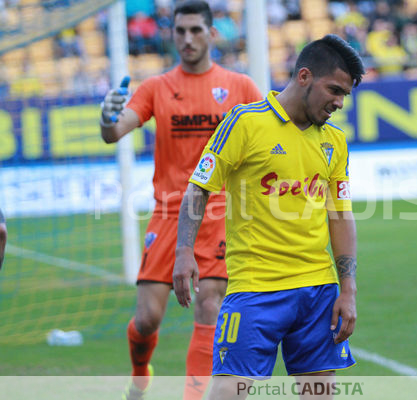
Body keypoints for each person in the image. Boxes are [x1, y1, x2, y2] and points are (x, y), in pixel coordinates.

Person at [173, 34, 365, 400]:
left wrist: (348, 289)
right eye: (335, 90)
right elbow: (199, 188)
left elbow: (340, 215)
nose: (339, 102)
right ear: (305, 76)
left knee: (321, 394)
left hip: (318, 290)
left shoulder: (335, 142)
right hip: (255, 288)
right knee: (229, 390)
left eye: (345, 95)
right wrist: (184, 252)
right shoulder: (245, 123)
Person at [98, 1, 262, 399]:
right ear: (172, 34)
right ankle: (140, 373)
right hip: (169, 213)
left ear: (211, 33)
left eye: (195, 30)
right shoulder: (157, 87)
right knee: (148, 318)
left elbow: (266, 135)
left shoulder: (239, 86)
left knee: (210, 306)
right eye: (180, 31)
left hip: (218, 215)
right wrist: (107, 117)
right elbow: (114, 132)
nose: (187, 39)